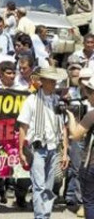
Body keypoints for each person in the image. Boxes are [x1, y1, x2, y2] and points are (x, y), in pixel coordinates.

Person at [18, 67, 69, 219]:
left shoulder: (58, 101)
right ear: (43, 81)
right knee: (39, 186)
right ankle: (41, 217)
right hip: (38, 148)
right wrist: (21, 150)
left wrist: (65, 152)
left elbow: (63, 128)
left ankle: (45, 215)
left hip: (54, 147)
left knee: (48, 186)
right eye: (51, 80)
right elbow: (23, 126)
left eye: (55, 81)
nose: (54, 83)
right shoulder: (31, 100)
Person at [66, 76, 94, 218]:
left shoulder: (92, 115)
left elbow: (75, 136)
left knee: (89, 202)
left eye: (89, 92)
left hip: (92, 164)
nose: (87, 96)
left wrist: (72, 117)